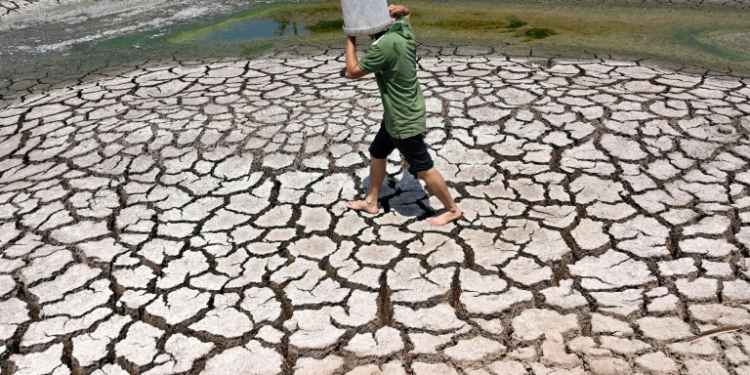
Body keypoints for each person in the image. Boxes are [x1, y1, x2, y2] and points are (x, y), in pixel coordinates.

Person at [344, 4, 461, 226]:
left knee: (424, 168)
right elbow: (407, 14)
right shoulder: (402, 31)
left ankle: (452, 209)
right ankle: (371, 201)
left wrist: (350, 36)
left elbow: (352, 71)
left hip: (403, 121)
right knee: (378, 152)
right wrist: (403, 8)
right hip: (399, 114)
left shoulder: (384, 47)